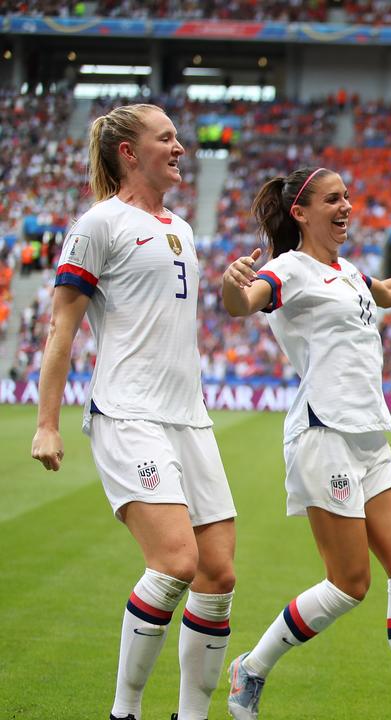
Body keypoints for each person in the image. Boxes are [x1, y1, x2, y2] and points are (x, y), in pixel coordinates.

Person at [219, 166, 391, 720]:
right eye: (332, 199)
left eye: (348, 197)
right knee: (348, 585)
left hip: (369, 435)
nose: (346, 207)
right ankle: (250, 667)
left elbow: (386, 292)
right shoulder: (287, 269)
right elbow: (242, 303)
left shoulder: (344, 271)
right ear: (301, 212)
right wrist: (232, 283)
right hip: (324, 435)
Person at [29, 104, 238, 720]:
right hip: (129, 413)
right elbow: (61, 327)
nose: (180, 147)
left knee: (218, 575)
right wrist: (47, 422)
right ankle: (124, 711)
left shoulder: (182, 228)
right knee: (175, 562)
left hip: (189, 418)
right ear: (128, 151)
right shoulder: (100, 222)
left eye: (178, 138)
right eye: (166, 138)